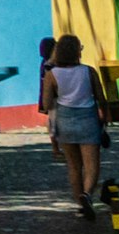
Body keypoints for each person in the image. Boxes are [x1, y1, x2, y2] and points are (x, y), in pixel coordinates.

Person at [45, 34, 109, 215]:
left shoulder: (51, 75)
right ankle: (87, 194)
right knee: (91, 164)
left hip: (65, 120)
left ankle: (80, 203)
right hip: (88, 119)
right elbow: (101, 98)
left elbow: (47, 103)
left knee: (73, 166)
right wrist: (105, 117)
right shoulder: (89, 72)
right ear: (77, 52)